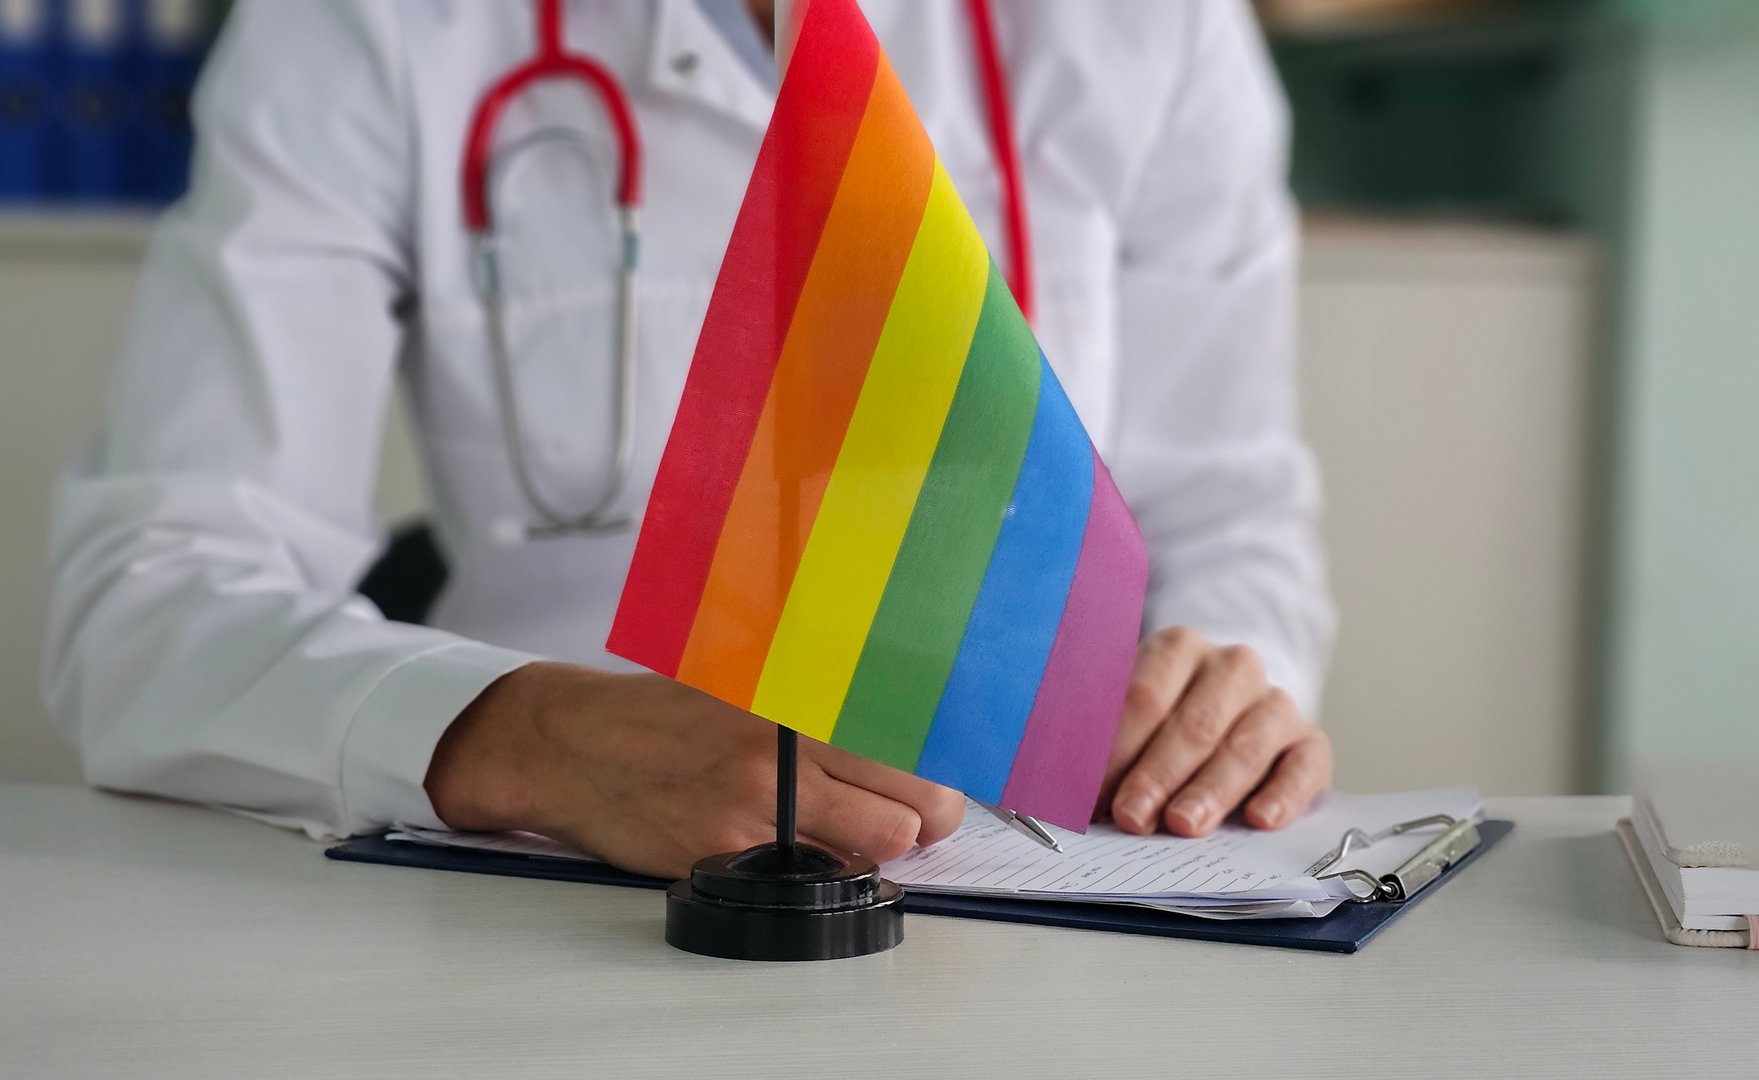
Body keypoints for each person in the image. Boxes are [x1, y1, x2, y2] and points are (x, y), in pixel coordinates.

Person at [42, 0, 1334, 880]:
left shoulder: (1151, 27)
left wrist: (1216, 694)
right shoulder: (367, 26)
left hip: (1045, 899)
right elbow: (147, 598)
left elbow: (1230, 521)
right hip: (548, 897)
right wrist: (522, 735)